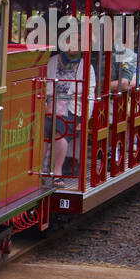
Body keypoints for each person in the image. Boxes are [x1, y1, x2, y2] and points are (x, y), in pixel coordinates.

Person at [45, 32, 92, 184]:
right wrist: (45, 106)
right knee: (42, 126)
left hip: (73, 108)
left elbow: (89, 96)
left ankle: (57, 172)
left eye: (79, 40)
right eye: (70, 39)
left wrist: (85, 118)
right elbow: (42, 87)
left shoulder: (86, 66)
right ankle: (39, 170)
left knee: (61, 126)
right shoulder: (52, 61)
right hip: (49, 105)